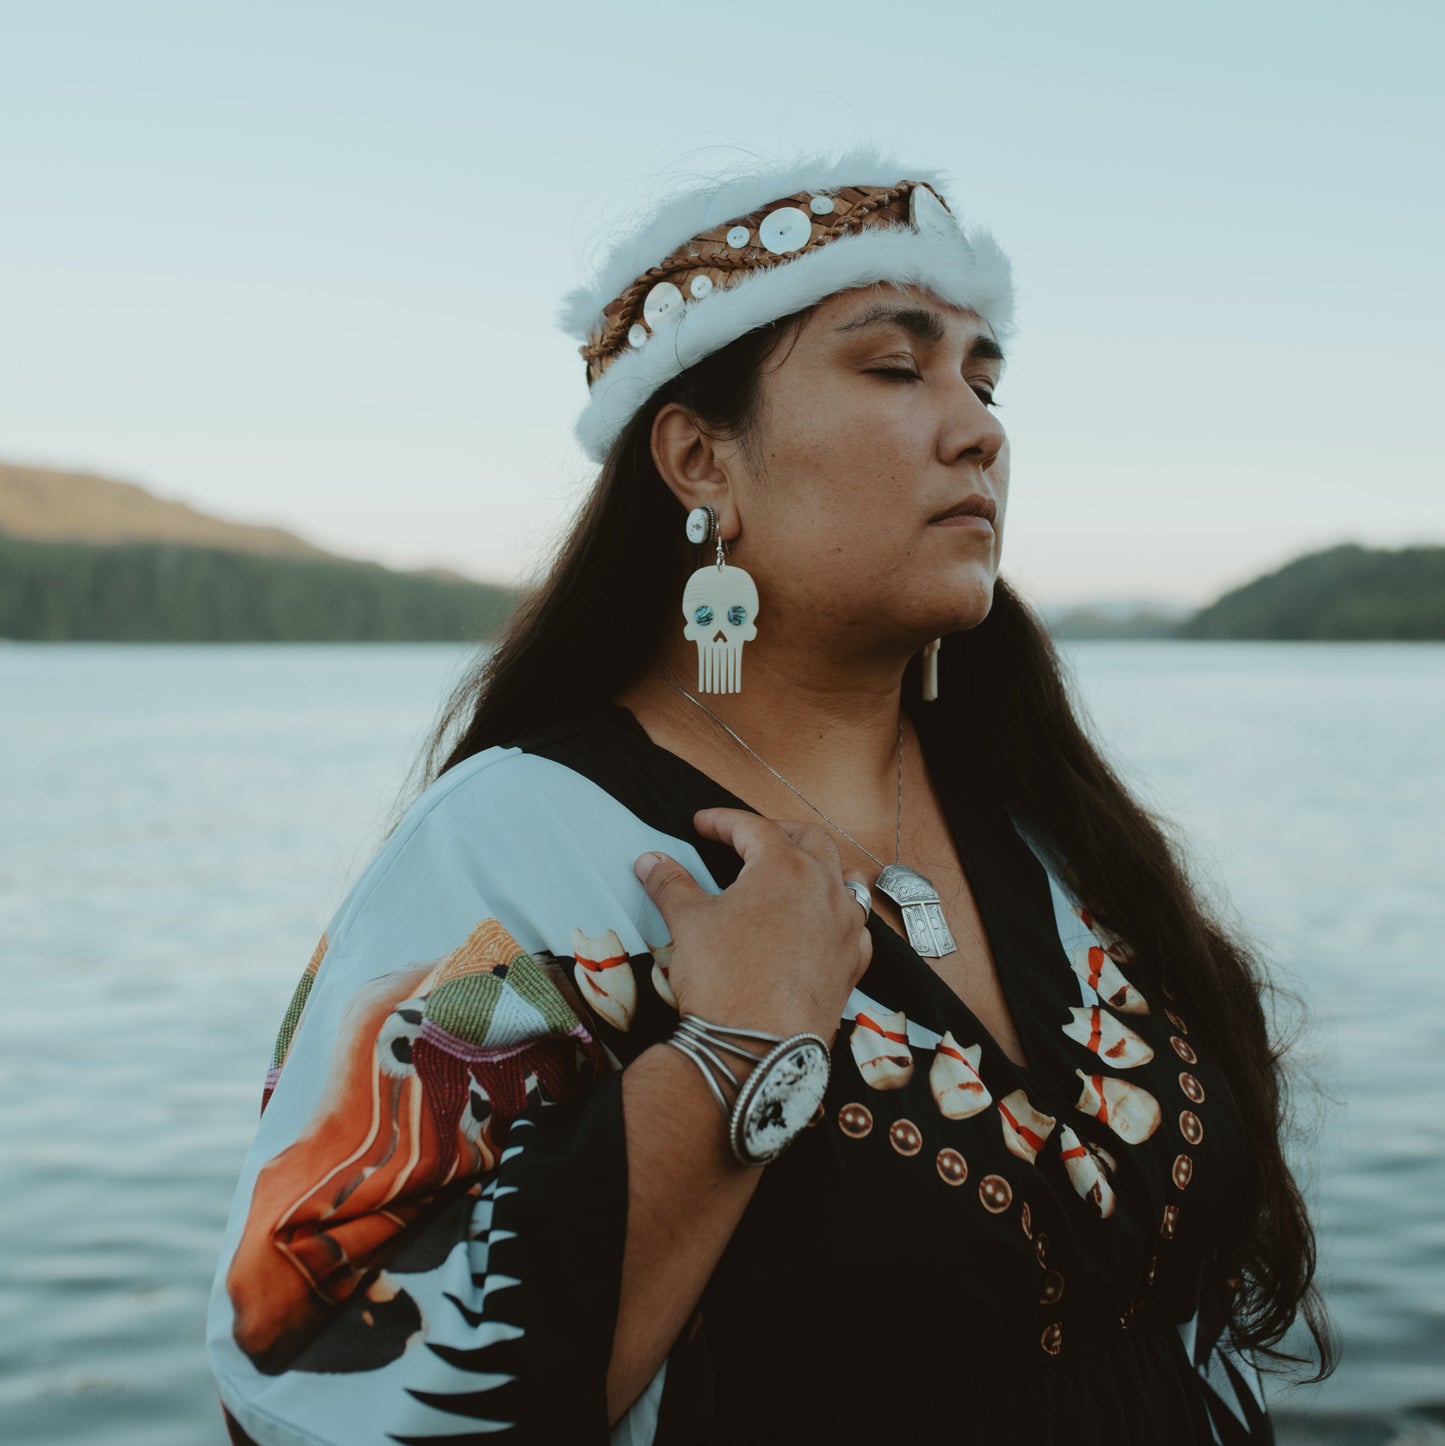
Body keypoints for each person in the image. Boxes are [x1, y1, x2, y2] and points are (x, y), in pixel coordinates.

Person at [207, 150, 1334, 1444]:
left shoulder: (1050, 825)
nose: (976, 425)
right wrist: (731, 1053)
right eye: (894, 366)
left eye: (983, 374)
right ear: (698, 458)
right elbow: (303, 1340)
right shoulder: (516, 850)